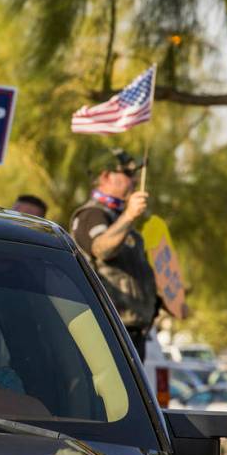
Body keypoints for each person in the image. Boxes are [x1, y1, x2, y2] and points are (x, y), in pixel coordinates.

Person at [70, 148, 157, 361]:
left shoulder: (118, 219)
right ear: (106, 176)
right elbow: (101, 249)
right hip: (109, 329)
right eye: (128, 174)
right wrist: (129, 215)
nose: (135, 179)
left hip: (132, 331)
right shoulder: (92, 214)